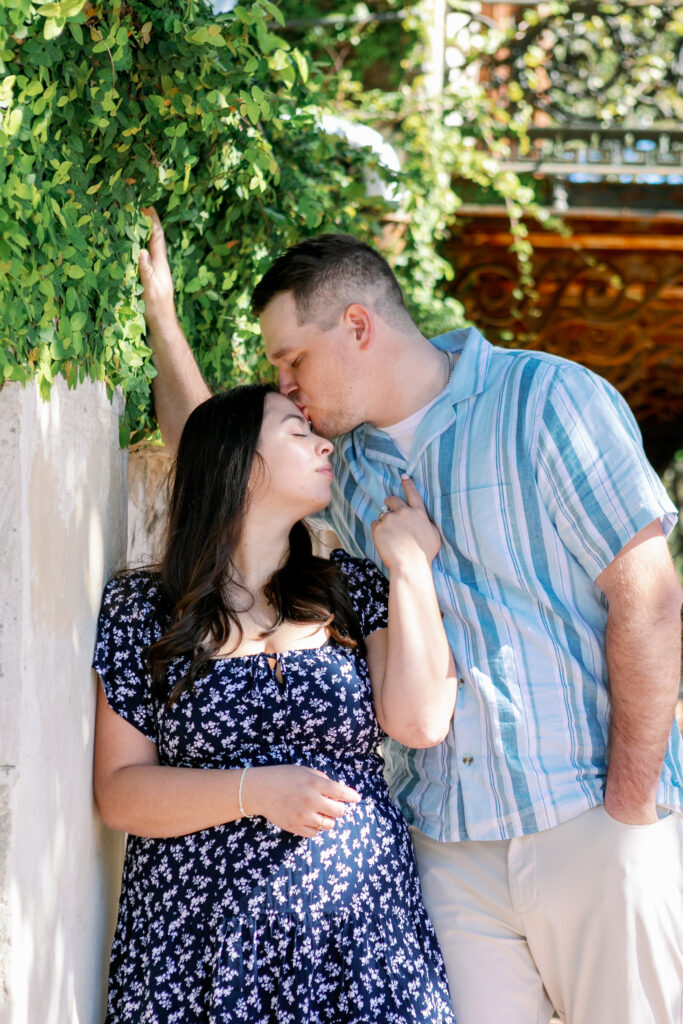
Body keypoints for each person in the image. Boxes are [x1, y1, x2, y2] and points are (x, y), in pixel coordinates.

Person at [138, 209, 683, 1024]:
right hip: (446, 851)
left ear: (357, 325)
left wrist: (631, 803)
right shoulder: (344, 468)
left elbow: (645, 595)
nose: (284, 382)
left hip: (586, 819)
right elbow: (222, 464)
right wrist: (163, 325)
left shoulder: (548, 399)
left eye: (292, 358)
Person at [92, 383, 458, 1023]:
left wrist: (409, 567)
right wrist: (254, 793)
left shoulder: (349, 589)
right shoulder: (143, 613)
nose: (324, 444)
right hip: (198, 950)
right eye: (297, 431)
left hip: (360, 940)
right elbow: (121, 793)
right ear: (240, 463)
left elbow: (422, 719)